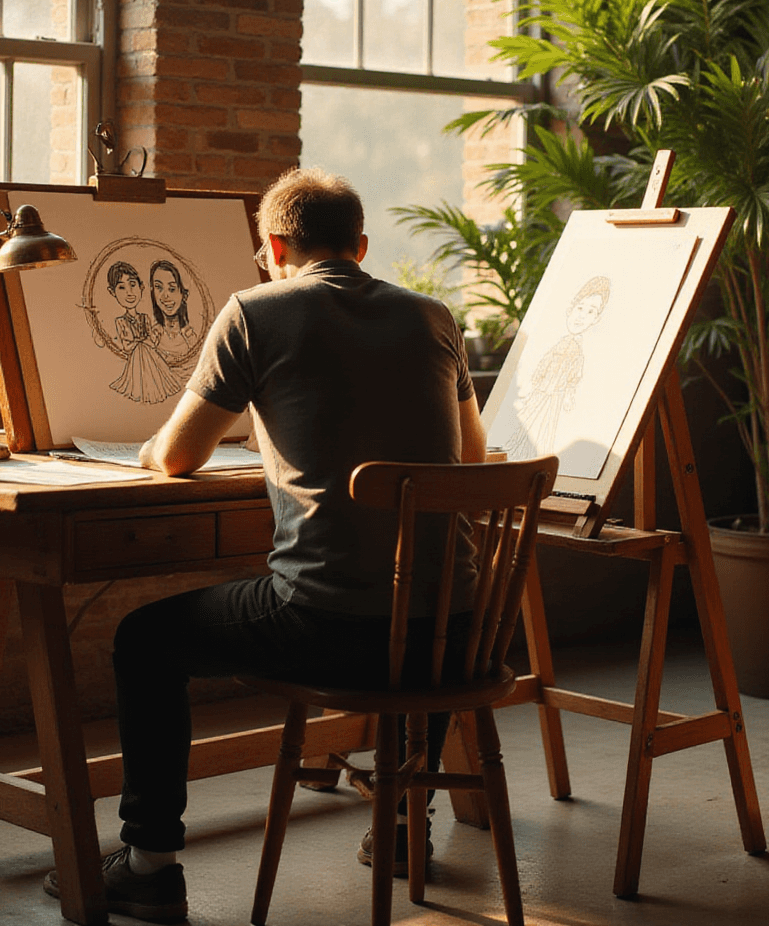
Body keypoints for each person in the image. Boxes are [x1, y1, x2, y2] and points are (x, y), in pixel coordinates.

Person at [50, 168, 486, 923]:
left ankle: (150, 864)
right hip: (455, 638)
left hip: (330, 635)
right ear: (362, 245)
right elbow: (471, 460)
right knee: (420, 592)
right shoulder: (433, 317)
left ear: (274, 246)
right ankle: (407, 826)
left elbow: (181, 456)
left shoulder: (256, 311)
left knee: (144, 640)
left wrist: (153, 450)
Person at [502, 275, 610, 460]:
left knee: (545, 428)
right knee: (526, 423)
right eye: (580, 308)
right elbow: (544, 364)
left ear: (596, 320)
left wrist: (568, 395)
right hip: (541, 391)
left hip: (555, 397)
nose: (582, 316)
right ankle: (517, 454)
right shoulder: (559, 344)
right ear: (570, 309)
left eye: (591, 312)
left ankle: (537, 459)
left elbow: (574, 376)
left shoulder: (578, 352)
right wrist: (535, 381)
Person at [107, 260, 183, 405]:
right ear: (112, 292)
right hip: (138, 358)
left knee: (147, 351)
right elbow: (128, 346)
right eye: (121, 287)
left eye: (133, 285)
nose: (129, 292)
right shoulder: (121, 321)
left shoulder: (145, 318)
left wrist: (155, 335)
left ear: (141, 287)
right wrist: (145, 341)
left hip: (150, 355)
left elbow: (153, 342)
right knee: (142, 349)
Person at [148, 258, 202, 366]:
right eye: (159, 288)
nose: (165, 296)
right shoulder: (153, 336)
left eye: (172, 289)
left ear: (183, 294)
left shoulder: (190, 337)